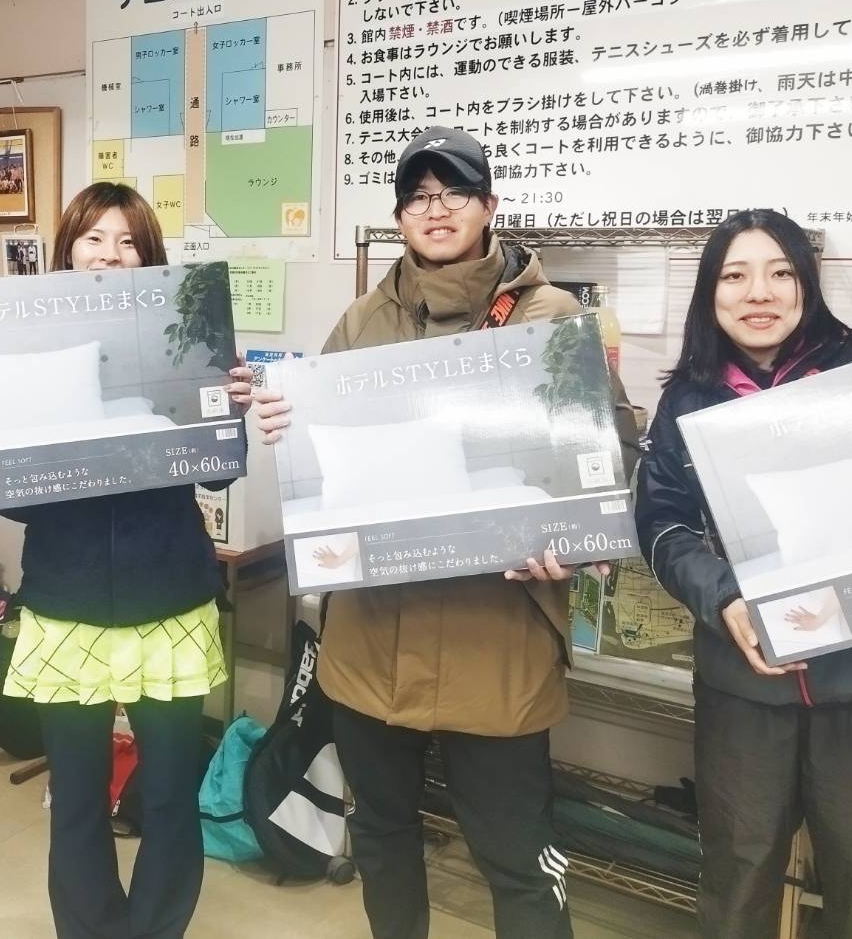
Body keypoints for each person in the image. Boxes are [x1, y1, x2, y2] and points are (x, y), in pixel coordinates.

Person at [254, 127, 640, 939]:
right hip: (372, 642)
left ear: (488, 205)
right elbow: (323, 460)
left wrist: (573, 544)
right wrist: (289, 429)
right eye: (417, 197)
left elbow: (607, 455)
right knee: (383, 836)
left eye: (454, 192)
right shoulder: (361, 322)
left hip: (495, 639)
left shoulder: (550, 318)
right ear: (399, 216)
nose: (435, 210)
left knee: (516, 855)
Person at [0, 181, 253, 939]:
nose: (110, 255)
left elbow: (218, 475)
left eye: (129, 242)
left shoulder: (180, 343)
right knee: (78, 797)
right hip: (66, 601)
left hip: (171, 597)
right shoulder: (30, 357)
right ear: (67, 254)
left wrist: (227, 405)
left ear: (149, 260)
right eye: (94, 238)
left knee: (169, 795)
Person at [634, 208, 852, 939]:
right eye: (734, 276)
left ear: (806, 282)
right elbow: (663, 525)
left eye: (779, 272)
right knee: (736, 882)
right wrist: (723, 598)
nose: (758, 293)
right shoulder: (688, 398)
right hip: (745, 689)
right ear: (710, 293)